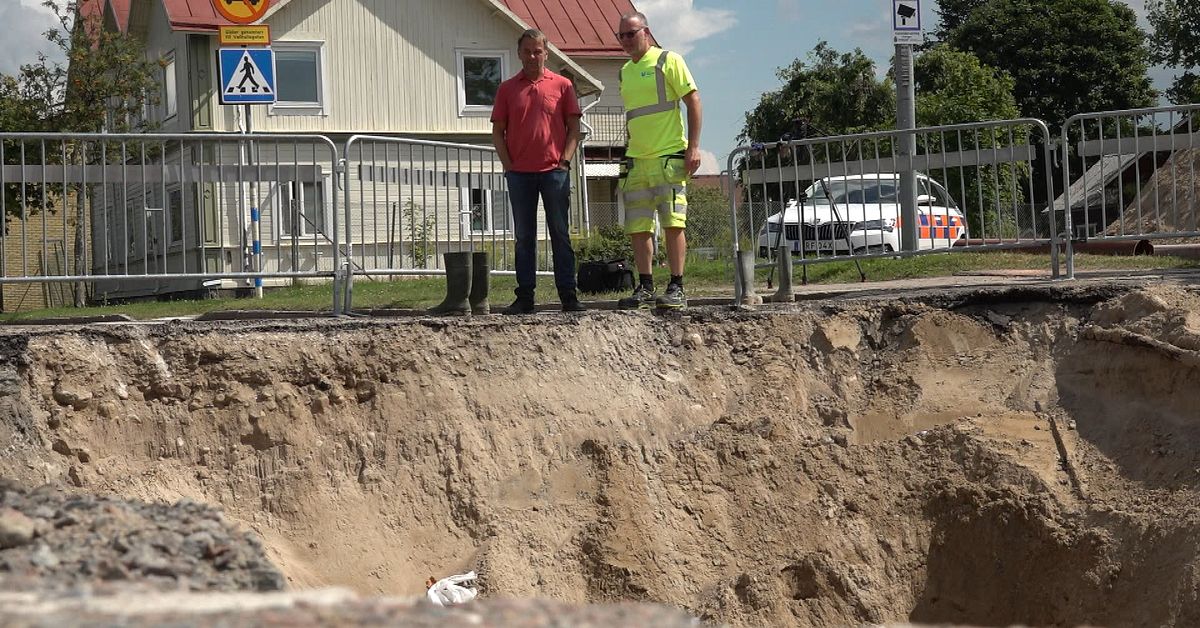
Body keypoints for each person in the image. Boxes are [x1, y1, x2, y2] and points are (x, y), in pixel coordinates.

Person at [491, 29, 585, 314]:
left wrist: (564, 162)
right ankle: (525, 297)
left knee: (560, 233)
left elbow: (573, 129)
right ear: (519, 53)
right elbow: (497, 132)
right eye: (527, 51)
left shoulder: (563, 85)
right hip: (520, 175)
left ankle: (568, 295)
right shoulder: (507, 88)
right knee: (524, 237)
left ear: (546, 53)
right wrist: (509, 166)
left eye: (538, 51)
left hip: (554, 172)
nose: (533, 56)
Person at [614, 11, 702, 310]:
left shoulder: (668, 60)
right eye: (621, 35)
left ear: (646, 32)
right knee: (638, 226)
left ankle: (677, 286)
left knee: (673, 223)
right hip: (637, 160)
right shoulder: (625, 70)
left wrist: (693, 147)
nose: (626, 40)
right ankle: (646, 286)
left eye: (631, 33)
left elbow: (693, 101)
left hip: (668, 156)